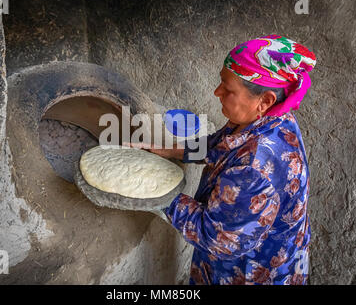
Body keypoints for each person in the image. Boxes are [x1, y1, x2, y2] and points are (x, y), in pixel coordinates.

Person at [125, 34, 316, 285]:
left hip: (252, 272)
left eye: (228, 90)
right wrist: (173, 151)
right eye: (221, 82)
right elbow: (222, 143)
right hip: (265, 252)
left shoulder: (255, 168)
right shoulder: (271, 117)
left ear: (265, 100)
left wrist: (155, 187)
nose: (217, 92)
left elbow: (213, 235)